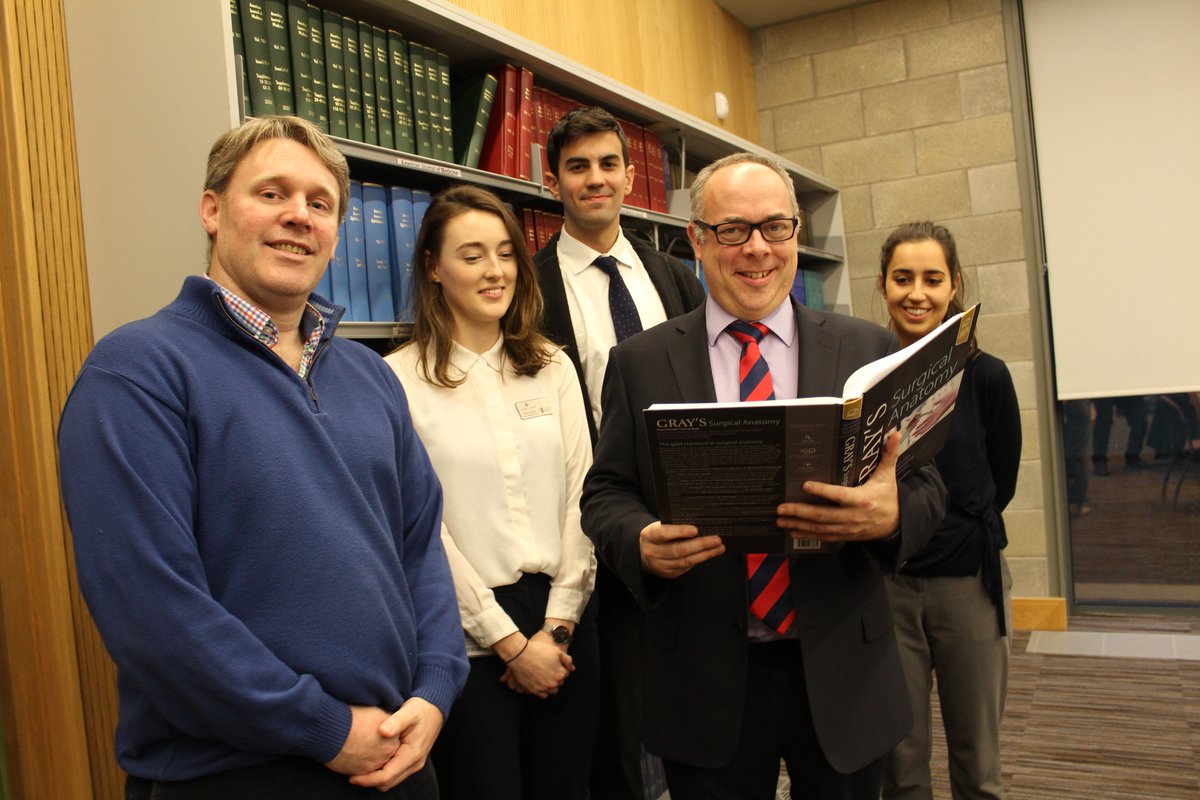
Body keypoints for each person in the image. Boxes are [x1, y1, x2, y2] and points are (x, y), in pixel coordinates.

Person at [57, 115, 468, 799]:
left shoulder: (370, 378)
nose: (298, 217)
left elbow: (421, 548)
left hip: (399, 760)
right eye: (272, 194)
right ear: (212, 210)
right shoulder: (137, 373)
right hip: (237, 775)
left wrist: (433, 690)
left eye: (319, 202)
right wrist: (325, 727)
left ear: (337, 234)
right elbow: (152, 609)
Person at [580, 152, 947, 799]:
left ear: (796, 234)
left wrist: (890, 516)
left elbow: (926, 487)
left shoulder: (869, 350)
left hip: (843, 671)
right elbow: (606, 492)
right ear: (696, 238)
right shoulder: (640, 362)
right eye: (733, 231)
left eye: (775, 228)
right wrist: (638, 540)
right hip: (702, 675)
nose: (758, 249)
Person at [385, 184, 598, 799]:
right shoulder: (395, 381)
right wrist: (506, 642)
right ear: (433, 267)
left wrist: (555, 629)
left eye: (506, 253)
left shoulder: (552, 366)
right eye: (472, 255)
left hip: (566, 626)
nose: (495, 270)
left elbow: (582, 499)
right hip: (465, 640)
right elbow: (422, 528)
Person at [534, 104, 706, 800]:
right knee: (618, 720)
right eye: (578, 167)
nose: (595, 179)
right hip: (591, 522)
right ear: (553, 182)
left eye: (608, 164)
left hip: (687, 516)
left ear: (631, 177)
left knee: (699, 700)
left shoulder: (675, 278)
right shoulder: (530, 284)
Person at [876, 221, 1021, 800]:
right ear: (883, 285)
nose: (917, 293)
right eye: (902, 278)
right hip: (888, 586)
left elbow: (999, 481)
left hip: (968, 583)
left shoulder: (988, 375)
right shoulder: (868, 379)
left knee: (977, 757)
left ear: (955, 284)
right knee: (900, 763)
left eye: (932, 279)